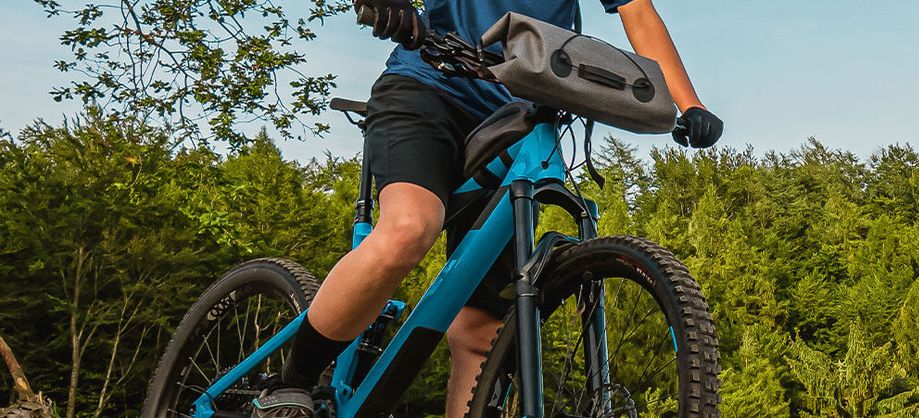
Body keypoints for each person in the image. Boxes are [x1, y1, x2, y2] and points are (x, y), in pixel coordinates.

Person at [249, 0, 722, 415]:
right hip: (428, 87)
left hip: (513, 119)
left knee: (482, 331)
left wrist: (688, 104)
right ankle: (291, 383)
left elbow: (637, 11)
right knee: (409, 228)